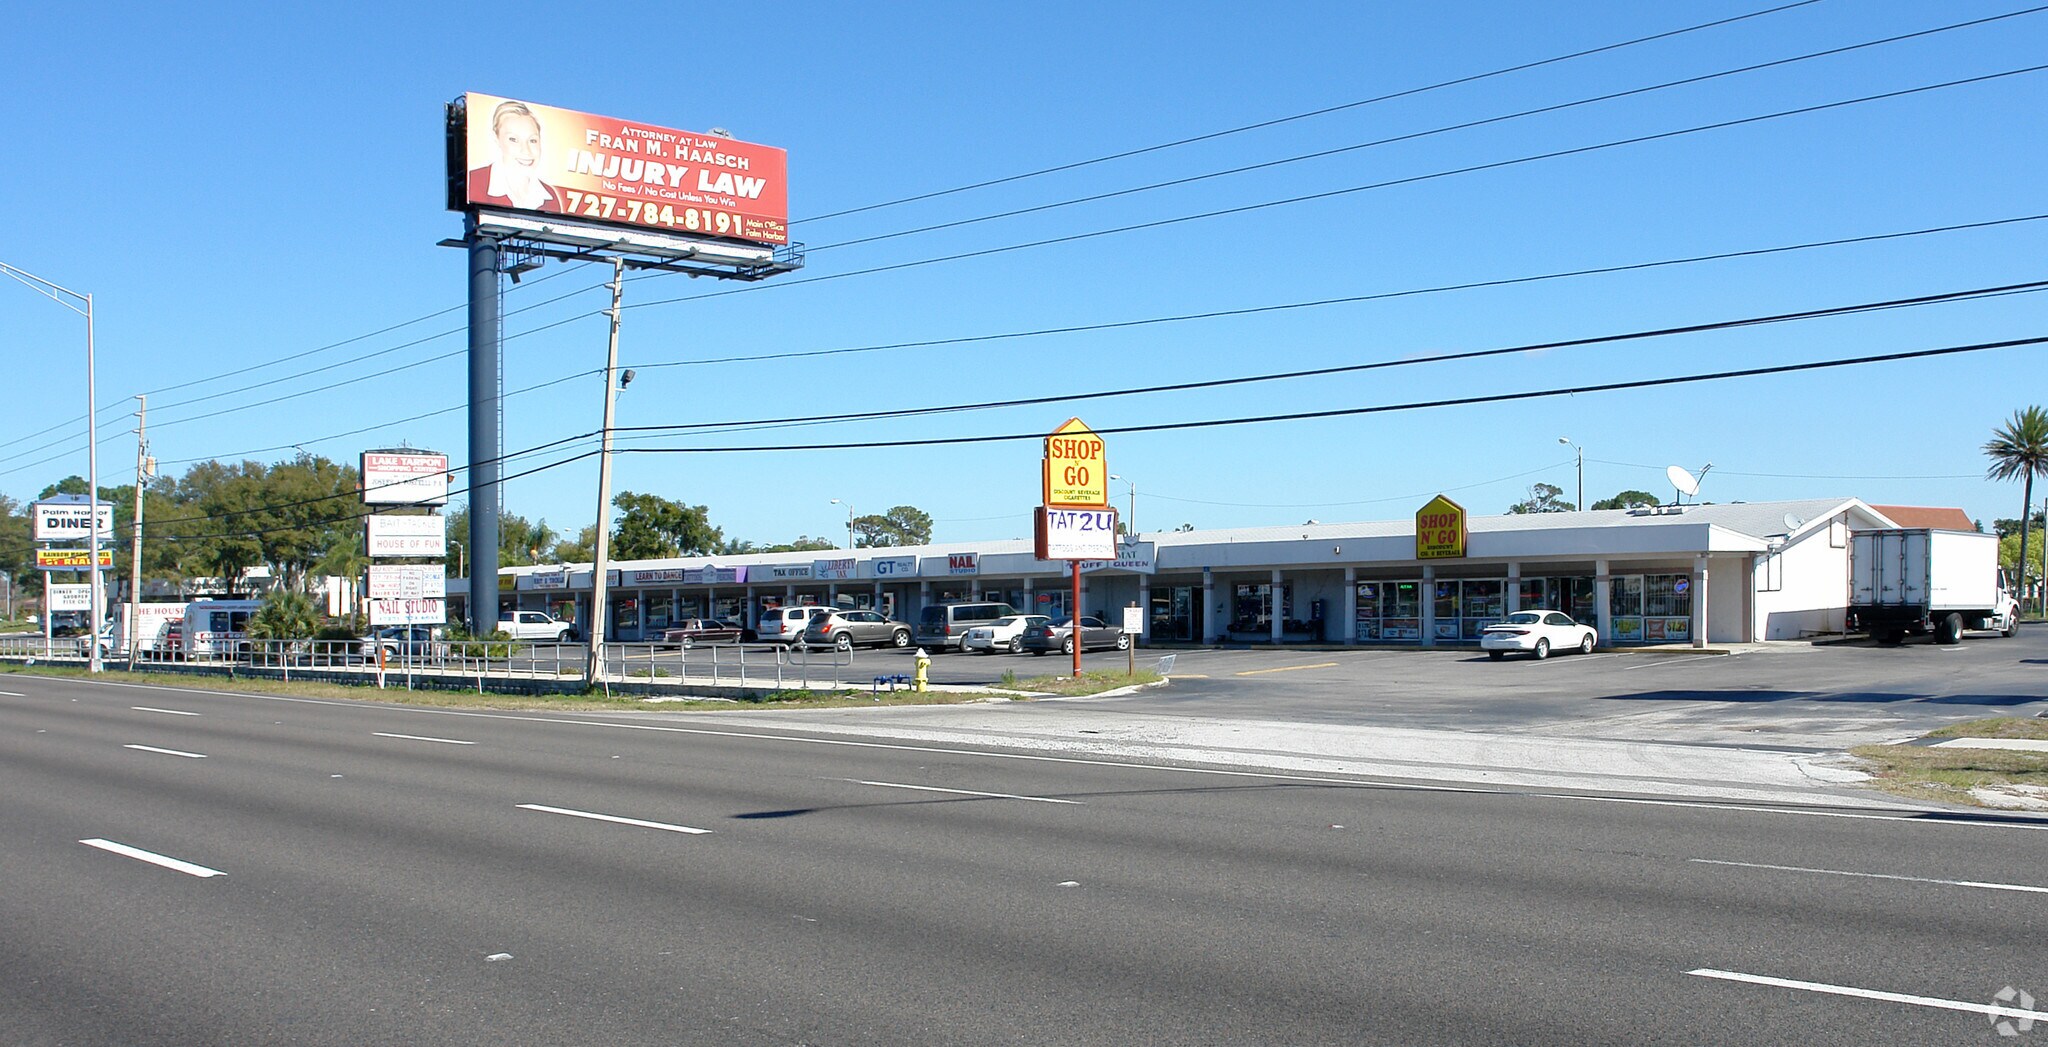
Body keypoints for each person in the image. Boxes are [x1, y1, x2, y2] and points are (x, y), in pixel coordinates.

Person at [469, 100, 562, 213]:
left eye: (532, 140)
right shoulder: (474, 181)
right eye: (513, 139)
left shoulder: (549, 196)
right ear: (496, 138)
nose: (526, 150)